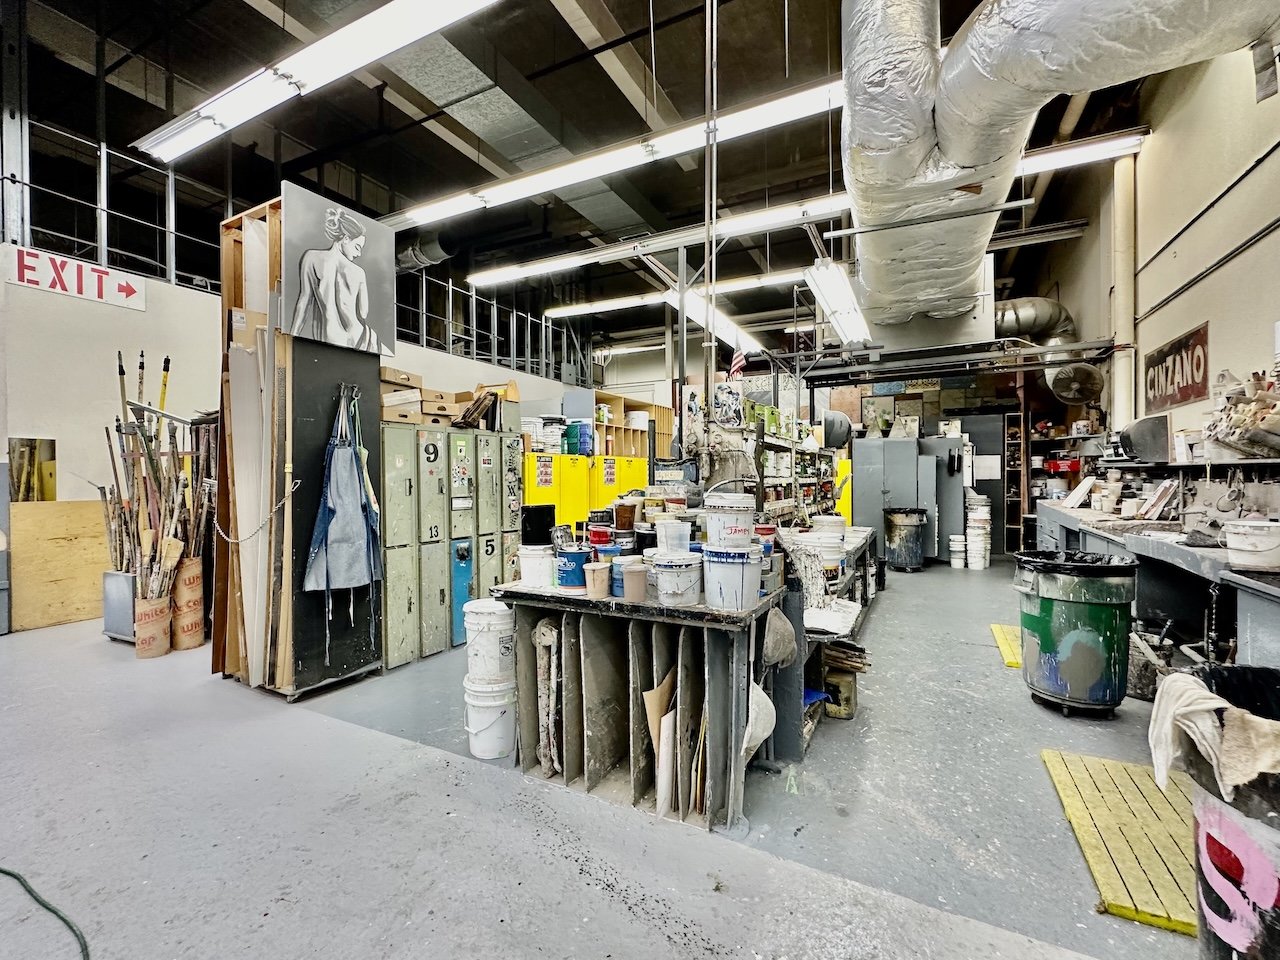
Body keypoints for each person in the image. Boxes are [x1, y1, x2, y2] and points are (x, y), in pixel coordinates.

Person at [290, 207, 382, 353]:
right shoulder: (359, 272)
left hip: (331, 338)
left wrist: (292, 337)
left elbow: (304, 301)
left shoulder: (311, 258)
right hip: (362, 337)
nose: (359, 254)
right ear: (346, 239)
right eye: (357, 247)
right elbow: (363, 312)